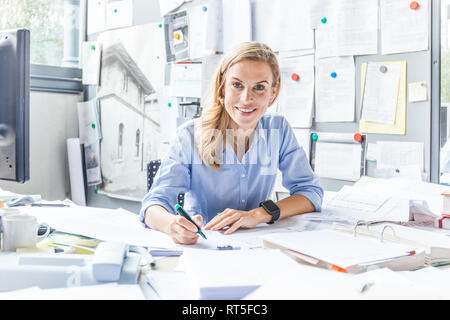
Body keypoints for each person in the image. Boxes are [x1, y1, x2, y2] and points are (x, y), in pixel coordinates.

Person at [140, 42, 323, 245]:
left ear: (273, 91)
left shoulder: (277, 130)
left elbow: (310, 192)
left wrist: (260, 214)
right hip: (205, 245)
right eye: (237, 85)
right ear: (222, 87)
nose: (246, 99)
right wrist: (171, 225)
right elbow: (153, 205)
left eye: (259, 87)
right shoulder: (189, 136)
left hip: (254, 246)